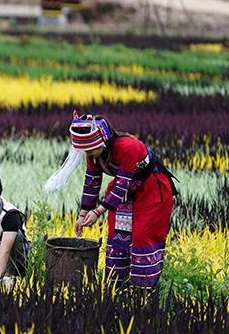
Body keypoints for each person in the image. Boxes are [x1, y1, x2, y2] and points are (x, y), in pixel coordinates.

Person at [68, 112, 177, 289]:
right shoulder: (94, 154)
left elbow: (122, 184)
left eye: (89, 149)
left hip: (150, 189)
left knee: (142, 236)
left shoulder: (128, 147)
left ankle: (143, 290)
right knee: (118, 236)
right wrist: (82, 214)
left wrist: (98, 212)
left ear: (103, 141)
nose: (87, 154)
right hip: (125, 192)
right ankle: (117, 288)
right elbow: (92, 182)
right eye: (85, 151)